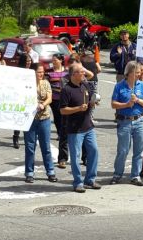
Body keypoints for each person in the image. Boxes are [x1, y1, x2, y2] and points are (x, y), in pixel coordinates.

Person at [59, 63, 100, 193]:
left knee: (94, 151)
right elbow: (62, 110)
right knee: (76, 156)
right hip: (75, 129)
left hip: (88, 126)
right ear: (73, 74)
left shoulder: (85, 85)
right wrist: (78, 108)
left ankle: (90, 179)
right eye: (81, 72)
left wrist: (93, 102)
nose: (84, 74)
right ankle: (78, 182)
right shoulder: (66, 90)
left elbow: (88, 102)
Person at [110, 61, 143, 186]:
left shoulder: (142, 85)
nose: (139, 75)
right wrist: (126, 104)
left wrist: (138, 100)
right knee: (123, 149)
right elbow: (113, 104)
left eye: (139, 72)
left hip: (139, 120)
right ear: (129, 73)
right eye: (136, 72)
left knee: (139, 149)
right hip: (124, 121)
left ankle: (135, 175)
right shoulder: (119, 86)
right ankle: (117, 174)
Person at [24, 65, 57, 183]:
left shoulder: (46, 83)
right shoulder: (27, 84)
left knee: (46, 146)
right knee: (30, 146)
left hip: (44, 118)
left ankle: (50, 171)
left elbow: (50, 98)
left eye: (42, 72)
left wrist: (43, 104)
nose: (41, 74)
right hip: (30, 119)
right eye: (39, 72)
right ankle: (29, 172)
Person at [47, 53, 69, 168]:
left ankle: (65, 156)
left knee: (65, 128)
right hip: (55, 101)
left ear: (61, 60)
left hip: (66, 102)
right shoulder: (49, 72)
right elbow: (46, 85)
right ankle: (63, 156)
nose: (53, 62)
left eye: (55, 60)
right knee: (59, 124)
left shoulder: (67, 71)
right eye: (52, 60)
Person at [80, 49, 101, 124]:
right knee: (93, 99)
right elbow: (99, 69)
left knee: (84, 98)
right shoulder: (94, 61)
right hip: (94, 81)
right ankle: (91, 117)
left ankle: (84, 117)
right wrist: (94, 73)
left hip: (85, 81)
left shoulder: (81, 62)